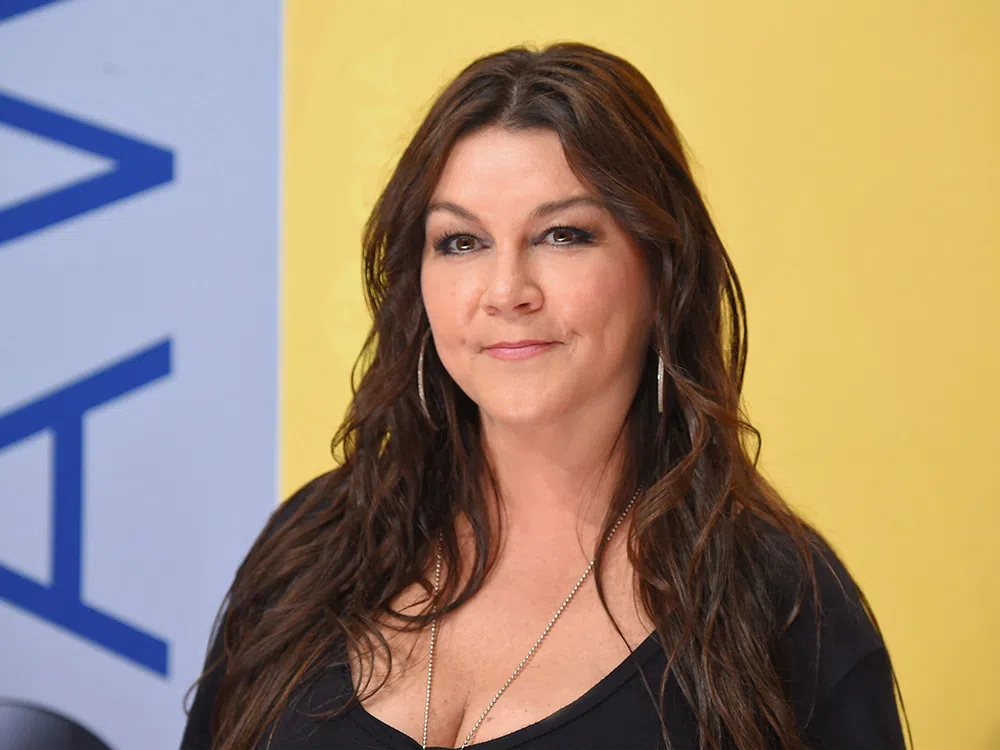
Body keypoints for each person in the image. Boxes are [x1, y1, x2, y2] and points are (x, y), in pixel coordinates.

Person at [180, 42, 909, 750]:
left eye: (562, 235)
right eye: (461, 242)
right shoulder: (312, 543)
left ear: (662, 271)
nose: (506, 292)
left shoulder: (783, 605)